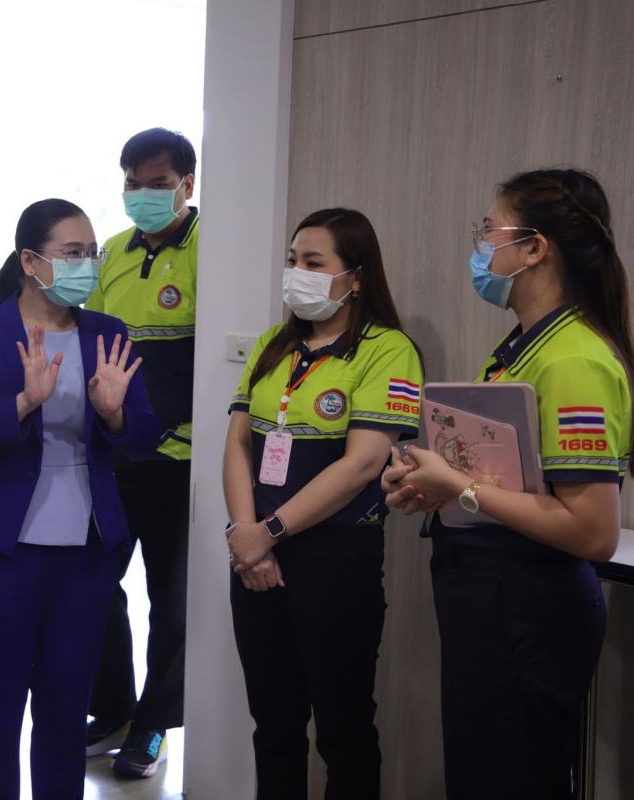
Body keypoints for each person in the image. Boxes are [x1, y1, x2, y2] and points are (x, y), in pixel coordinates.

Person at [382, 169, 634, 800]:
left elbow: (593, 531)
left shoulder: (572, 358)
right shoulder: (521, 348)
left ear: (534, 248)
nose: (481, 245)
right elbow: (512, 482)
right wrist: (434, 483)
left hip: (529, 608)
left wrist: (459, 486)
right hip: (492, 601)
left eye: (489, 229)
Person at [0, 199, 160, 800]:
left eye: (93, 253)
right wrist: (22, 404)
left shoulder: (107, 332)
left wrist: (114, 414)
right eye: (72, 252)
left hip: (86, 552)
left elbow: (144, 437)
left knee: (65, 708)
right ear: (30, 261)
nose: (87, 264)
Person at [223, 209, 423, 798]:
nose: (297, 273)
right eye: (293, 261)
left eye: (314, 262)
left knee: (344, 731)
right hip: (256, 561)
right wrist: (246, 534)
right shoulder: (273, 344)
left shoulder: (389, 350)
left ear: (355, 277)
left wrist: (269, 531)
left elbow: (362, 463)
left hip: (336, 559)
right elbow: (237, 444)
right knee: (273, 726)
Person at [83, 127, 198, 776]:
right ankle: (115, 708)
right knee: (95, 586)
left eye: (158, 183)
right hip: (115, 454)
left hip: (181, 460)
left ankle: (154, 725)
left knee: (171, 602)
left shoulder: (213, 247)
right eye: (132, 183)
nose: (143, 194)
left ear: (187, 184)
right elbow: (96, 343)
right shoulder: (113, 252)